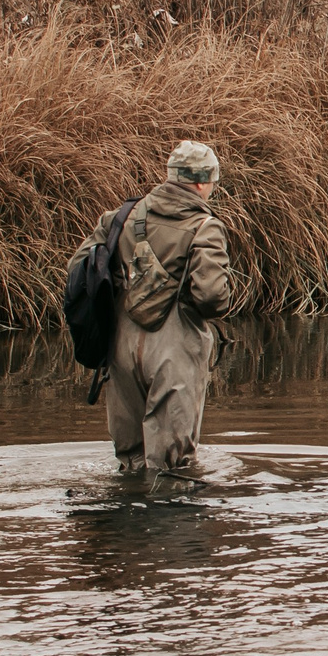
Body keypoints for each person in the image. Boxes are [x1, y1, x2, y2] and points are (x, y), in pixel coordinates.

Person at [102, 139, 232, 480]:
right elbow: (211, 296)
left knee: (131, 462)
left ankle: (129, 524)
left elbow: (83, 272)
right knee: (173, 468)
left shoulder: (120, 217)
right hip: (174, 350)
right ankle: (171, 529)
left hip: (120, 348)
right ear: (203, 182)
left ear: (172, 176)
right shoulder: (205, 227)